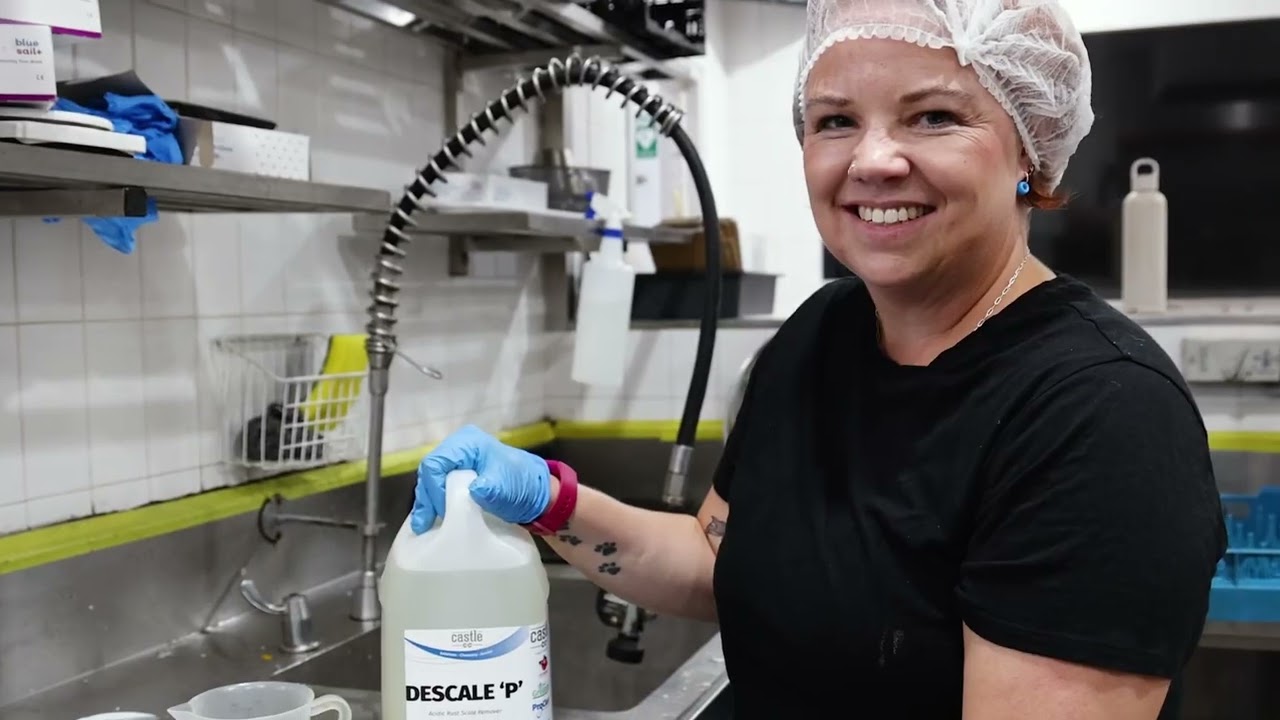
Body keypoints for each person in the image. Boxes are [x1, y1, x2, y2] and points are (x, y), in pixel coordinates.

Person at [410, 0, 1227, 717]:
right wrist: (550, 501)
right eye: (836, 120)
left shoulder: (1100, 415)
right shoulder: (821, 333)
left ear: (1030, 153)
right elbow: (715, 561)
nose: (872, 160)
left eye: (933, 116)